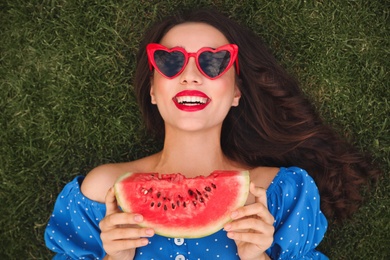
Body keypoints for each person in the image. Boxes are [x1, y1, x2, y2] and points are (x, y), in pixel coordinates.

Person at [44, 8, 380, 260]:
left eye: (214, 62)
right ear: (152, 90)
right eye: (171, 62)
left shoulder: (275, 194)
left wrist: (256, 256)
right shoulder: (106, 193)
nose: (190, 75)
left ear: (236, 92)